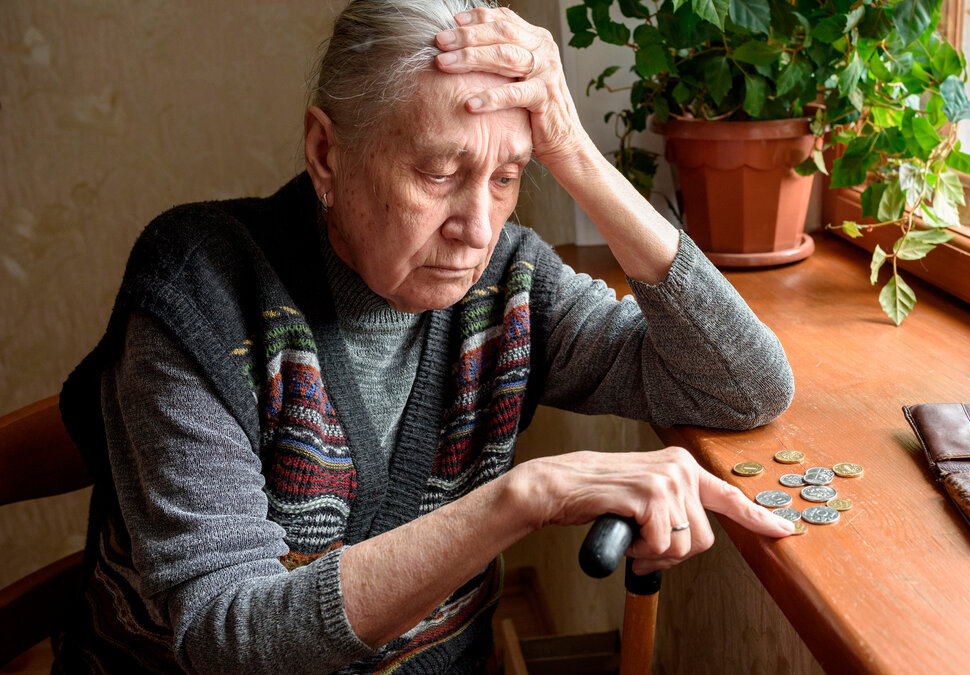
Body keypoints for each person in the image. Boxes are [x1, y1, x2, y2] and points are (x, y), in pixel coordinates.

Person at [54, 1, 796, 673]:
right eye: (439, 172)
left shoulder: (510, 286)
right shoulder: (201, 289)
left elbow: (742, 386)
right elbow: (226, 634)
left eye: (507, 177)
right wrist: (524, 497)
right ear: (325, 153)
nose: (476, 229)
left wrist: (574, 152)